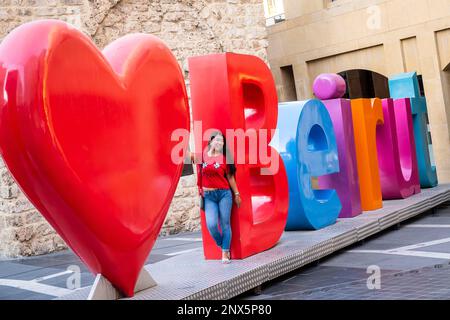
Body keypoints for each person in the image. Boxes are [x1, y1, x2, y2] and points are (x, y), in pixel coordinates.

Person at [189, 131, 241, 263]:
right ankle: (222, 244)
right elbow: (186, 156)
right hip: (209, 196)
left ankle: (225, 252)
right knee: (211, 225)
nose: (219, 142)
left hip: (224, 194)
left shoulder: (225, 158)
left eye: (222, 141)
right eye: (217, 140)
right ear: (211, 141)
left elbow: (230, 177)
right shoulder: (202, 156)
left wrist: (236, 194)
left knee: (225, 224)